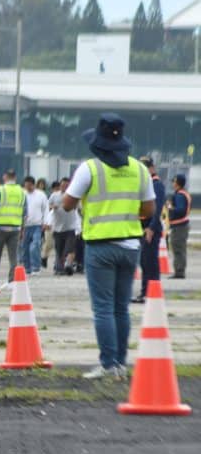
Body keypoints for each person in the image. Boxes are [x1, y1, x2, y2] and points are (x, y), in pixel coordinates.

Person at [62, 113, 155, 379]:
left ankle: (108, 364)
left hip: (100, 246)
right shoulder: (139, 169)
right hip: (131, 246)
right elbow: (149, 209)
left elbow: (67, 204)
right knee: (121, 308)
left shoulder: (89, 168)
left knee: (103, 308)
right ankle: (121, 363)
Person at [133, 157, 164, 302]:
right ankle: (146, 292)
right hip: (143, 227)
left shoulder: (156, 184)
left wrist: (151, 228)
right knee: (145, 262)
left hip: (150, 228)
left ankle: (150, 293)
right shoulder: (146, 183)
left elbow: (157, 209)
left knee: (150, 262)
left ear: (151, 168)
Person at [0, 169, 26, 288]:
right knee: (13, 256)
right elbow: (25, 213)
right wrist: (22, 229)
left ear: (5, 177)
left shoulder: (0, 190)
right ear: (15, 177)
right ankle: (12, 281)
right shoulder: (22, 191)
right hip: (15, 228)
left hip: (0, 227)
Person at [49, 178, 79, 274]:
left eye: (66, 186)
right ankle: (60, 268)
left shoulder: (73, 195)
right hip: (58, 228)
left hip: (70, 227)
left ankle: (68, 265)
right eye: (62, 185)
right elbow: (48, 206)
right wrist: (53, 207)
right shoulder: (54, 195)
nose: (64, 187)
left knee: (69, 248)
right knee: (59, 250)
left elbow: (78, 207)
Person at [20, 176, 49, 275]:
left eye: (29, 186)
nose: (27, 188)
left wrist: (45, 222)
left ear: (33, 185)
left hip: (37, 225)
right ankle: (27, 268)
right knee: (25, 247)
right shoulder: (22, 194)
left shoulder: (41, 195)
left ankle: (36, 267)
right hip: (25, 225)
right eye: (26, 186)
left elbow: (45, 209)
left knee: (35, 246)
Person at [167, 173, 191, 279]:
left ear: (177, 183)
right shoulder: (183, 193)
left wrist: (170, 208)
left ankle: (179, 271)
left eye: (174, 181)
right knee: (180, 248)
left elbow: (180, 210)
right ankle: (179, 270)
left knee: (178, 249)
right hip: (181, 226)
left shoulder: (180, 195)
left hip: (179, 226)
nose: (172, 183)